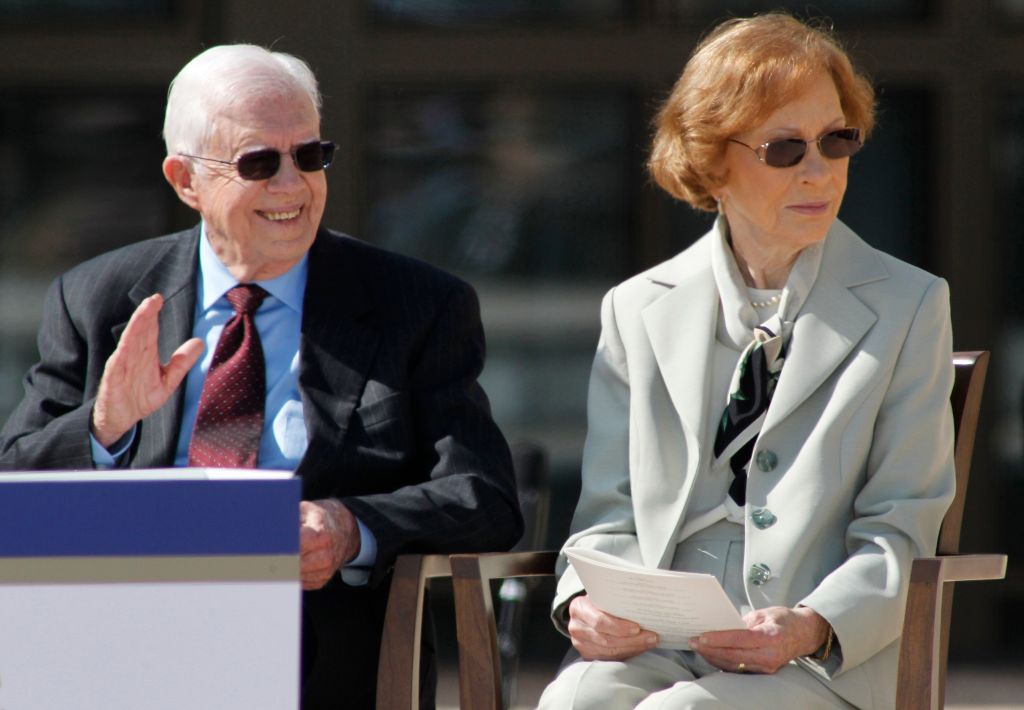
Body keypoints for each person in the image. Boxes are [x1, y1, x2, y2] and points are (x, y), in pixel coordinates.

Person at [0, 44, 523, 709]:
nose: (292, 185)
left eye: (310, 156)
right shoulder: (100, 299)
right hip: (128, 636)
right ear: (186, 180)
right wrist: (104, 428)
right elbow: (14, 497)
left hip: (317, 649)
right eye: (258, 162)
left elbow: (485, 497)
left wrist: (346, 527)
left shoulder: (415, 305)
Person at [538, 13, 955, 710]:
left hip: (826, 662)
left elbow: (902, 527)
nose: (820, 171)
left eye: (837, 140)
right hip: (664, 644)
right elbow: (608, 518)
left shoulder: (911, 304)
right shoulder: (635, 309)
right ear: (711, 159)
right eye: (785, 149)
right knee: (574, 702)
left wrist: (811, 624)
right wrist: (584, 598)